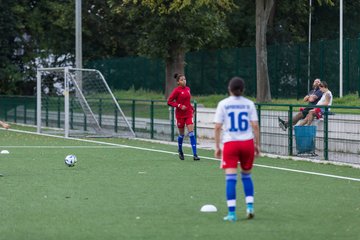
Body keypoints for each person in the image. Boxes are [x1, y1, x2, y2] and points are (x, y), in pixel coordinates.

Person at [214, 77, 260, 222]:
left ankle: (232, 214)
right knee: (246, 176)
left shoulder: (223, 104)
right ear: (243, 89)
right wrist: (257, 145)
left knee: (231, 178)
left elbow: (217, 126)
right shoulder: (249, 104)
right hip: (247, 142)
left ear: (229, 89)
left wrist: (217, 146)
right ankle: (250, 207)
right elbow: (255, 126)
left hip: (231, 143)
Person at [167, 73, 200, 161]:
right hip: (180, 115)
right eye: (182, 80)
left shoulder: (188, 89)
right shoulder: (176, 91)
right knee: (181, 134)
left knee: (191, 133)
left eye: (185, 79)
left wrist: (192, 108)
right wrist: (179, 106)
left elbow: (188, 102)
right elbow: (169, 101)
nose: (184, 81)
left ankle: (195, 154)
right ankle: (180, 150)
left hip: (188, 114)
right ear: (178, 82)